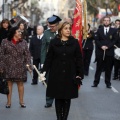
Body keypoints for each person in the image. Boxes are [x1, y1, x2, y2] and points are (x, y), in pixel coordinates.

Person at [41, 21, 84, 120]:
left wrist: (80, 74)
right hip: (56, 74)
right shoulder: (54, 42)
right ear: (60, 30)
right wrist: (44, 71)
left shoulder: (74, 42)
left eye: (69, 28)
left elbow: (79, 59)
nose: (68, 30)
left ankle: (64, 118)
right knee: (58, 97)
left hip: (70, 73)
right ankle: (59, 118)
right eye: (66, 28)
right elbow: (49, 58)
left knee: (67, 98)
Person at [0, 26, 31, 108]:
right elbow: (1, 55)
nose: (20, 33)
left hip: (20, 67)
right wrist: (1, 66)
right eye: (18, 32)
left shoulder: (23, 42)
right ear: (14, 33)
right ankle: (8, 102)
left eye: (21, 32)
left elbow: (27, 54)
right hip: (8, 66)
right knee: (9, 84)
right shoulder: (5, 41)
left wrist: (28, 64)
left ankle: (21, 101)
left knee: (20, 84)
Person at [41, 15, 62, 108]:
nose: (51, 28)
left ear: (57, 25)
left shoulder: (63, 33)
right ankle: (49, 101)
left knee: (61, 81)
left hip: (61, 62)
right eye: (50, 26)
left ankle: (60, 99)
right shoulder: (46, 33)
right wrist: (42, 62)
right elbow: (43, 48)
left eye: (53, 26)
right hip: (50, 62)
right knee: (49, 82)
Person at [91, 16, 117, 88]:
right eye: (105, 20)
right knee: (99, 68)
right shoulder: (99, 30)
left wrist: (108, 46)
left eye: (107, 20)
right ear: (103, 22)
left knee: (108, 68)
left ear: (110, 21)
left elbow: (114, 40)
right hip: (100, 52)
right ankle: (95, 82)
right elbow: (97, 40)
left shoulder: (114, 30)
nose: (106, 22)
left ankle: (108, 83)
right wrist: (101, 46)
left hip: (109, 52)